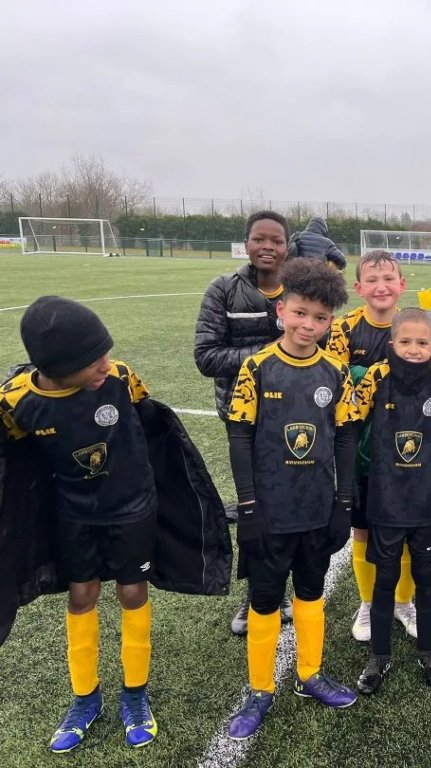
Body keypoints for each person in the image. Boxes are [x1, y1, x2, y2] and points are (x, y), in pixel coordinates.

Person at [0, 297, 162, 751]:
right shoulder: (16, 402)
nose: (106, 366)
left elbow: (149, 422)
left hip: (132, 507)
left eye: (106, 354)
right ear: (56, 368)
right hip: (74, 514)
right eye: (93, 362)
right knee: (82, 594)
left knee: (133, 591)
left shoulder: (121, 379)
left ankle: (135, 694)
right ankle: (85, 698)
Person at [224, 259, 357, 740]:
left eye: (320, 318)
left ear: (330, 322)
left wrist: (343, 504)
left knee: (311, 591)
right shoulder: (257, 368)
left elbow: (346, 439)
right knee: (264, 600)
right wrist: (248, 506)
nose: (308, 325)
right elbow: (239, 437)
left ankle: (310, 674)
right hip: (269, 510)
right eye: (300, 313)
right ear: (281, 310)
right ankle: (260, 690)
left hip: (316, 509)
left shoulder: (336, 371)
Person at [345, 308, 431, 693]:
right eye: (406, 342)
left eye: (422, 342)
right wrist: (350, 480)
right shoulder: (377, 376)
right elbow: (350, 426)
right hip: (386, 498)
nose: (414, 349)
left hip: (427, 499)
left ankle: (428, 653)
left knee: (426, 580)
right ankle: (379, 657)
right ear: (392, 343)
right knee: (385, 580)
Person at [195, 210, 294, 635]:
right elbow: (206, 357)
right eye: (259, 239)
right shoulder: (223, 290)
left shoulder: (301, 288)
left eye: (276, 240)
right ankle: (257, 594)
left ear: (287, 246)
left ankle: (284, 588)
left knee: (289, 506)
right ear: (246, 243)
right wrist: (269, 353)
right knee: (254, 508)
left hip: (296, 417)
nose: (267, 247)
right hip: (244, 419)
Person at [326, 249, 418, 643]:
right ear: (358, 287)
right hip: (360, 450)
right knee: (362, 529)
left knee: (406, 528)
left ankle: (404, 601)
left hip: (407, 448)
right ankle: (367, 602)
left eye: (389, 278)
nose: (382, 286)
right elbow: (336, 381)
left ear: (402, 284)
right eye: (372, 280)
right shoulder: (343, 329)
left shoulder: (414, 324)